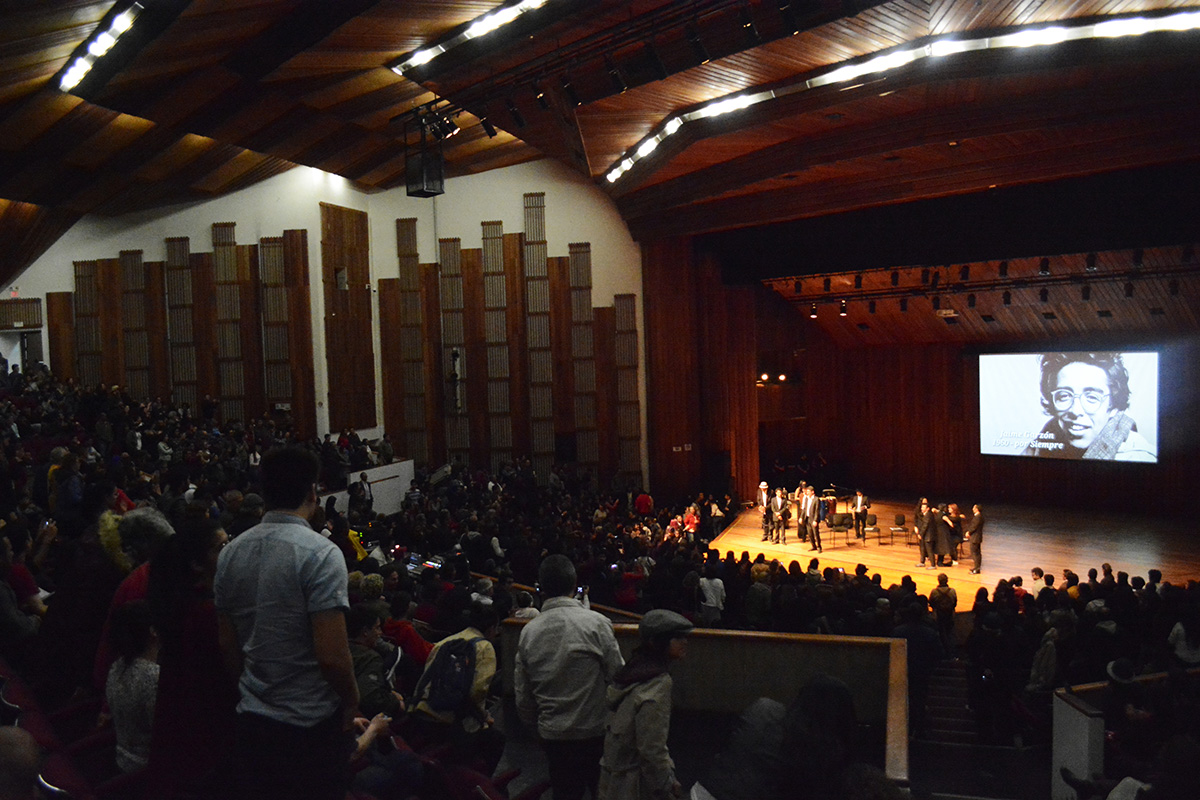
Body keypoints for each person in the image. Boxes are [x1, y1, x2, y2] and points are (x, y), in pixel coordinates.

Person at [214, 447, 358, 800]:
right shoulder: (322, 554)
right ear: (312, 492)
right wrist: (352, 700)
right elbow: (331, 657)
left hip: (252, 722)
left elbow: (227, 645)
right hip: (310, 729)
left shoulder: (231, 552)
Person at [515, 554, 624, 800]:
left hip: (554, 737)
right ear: (575, 586)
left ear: (540, 589)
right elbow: (618, 675)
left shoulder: (529, 633)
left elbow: (524, 697)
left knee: (564, 794)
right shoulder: (597, 623)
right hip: (595, 732)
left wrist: (538, 731)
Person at [598, 609, 692, 800]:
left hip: (612, 779)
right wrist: (666, 785)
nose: (685, 642)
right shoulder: (658, 683)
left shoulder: (631, 671)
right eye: (677, 637)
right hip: (635, 786)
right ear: (656, 643)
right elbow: (651, 748)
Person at [1023, 352, 1155, 461]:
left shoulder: (1136, 457)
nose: (1075, 411)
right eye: (1064, 396)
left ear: (1114, 407)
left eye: (1092, 397)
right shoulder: (1043, 441)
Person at [800, 485, 821, 552]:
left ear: (813, 492)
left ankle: (819, 547)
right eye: (807, 491)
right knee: (810, 534)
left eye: (809, 491)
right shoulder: (806, 498)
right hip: (807, 518)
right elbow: (804, 509)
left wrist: (815, 520)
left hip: (813, 519)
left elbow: (817, 511)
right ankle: (813, 546)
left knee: (816, 533)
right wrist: (801, 517)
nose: (807, 492)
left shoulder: (816, 499)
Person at [964, 504, 984, 574]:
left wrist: (968, 532)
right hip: (977, 537)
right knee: (977, 553)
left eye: (974, 508)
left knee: (975, 553)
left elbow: (974, 527)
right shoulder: (979, 516)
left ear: (977, 509)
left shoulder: (978, 517)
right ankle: (976, 567)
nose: (972, 509)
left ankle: (977, 569)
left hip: (975, 538)